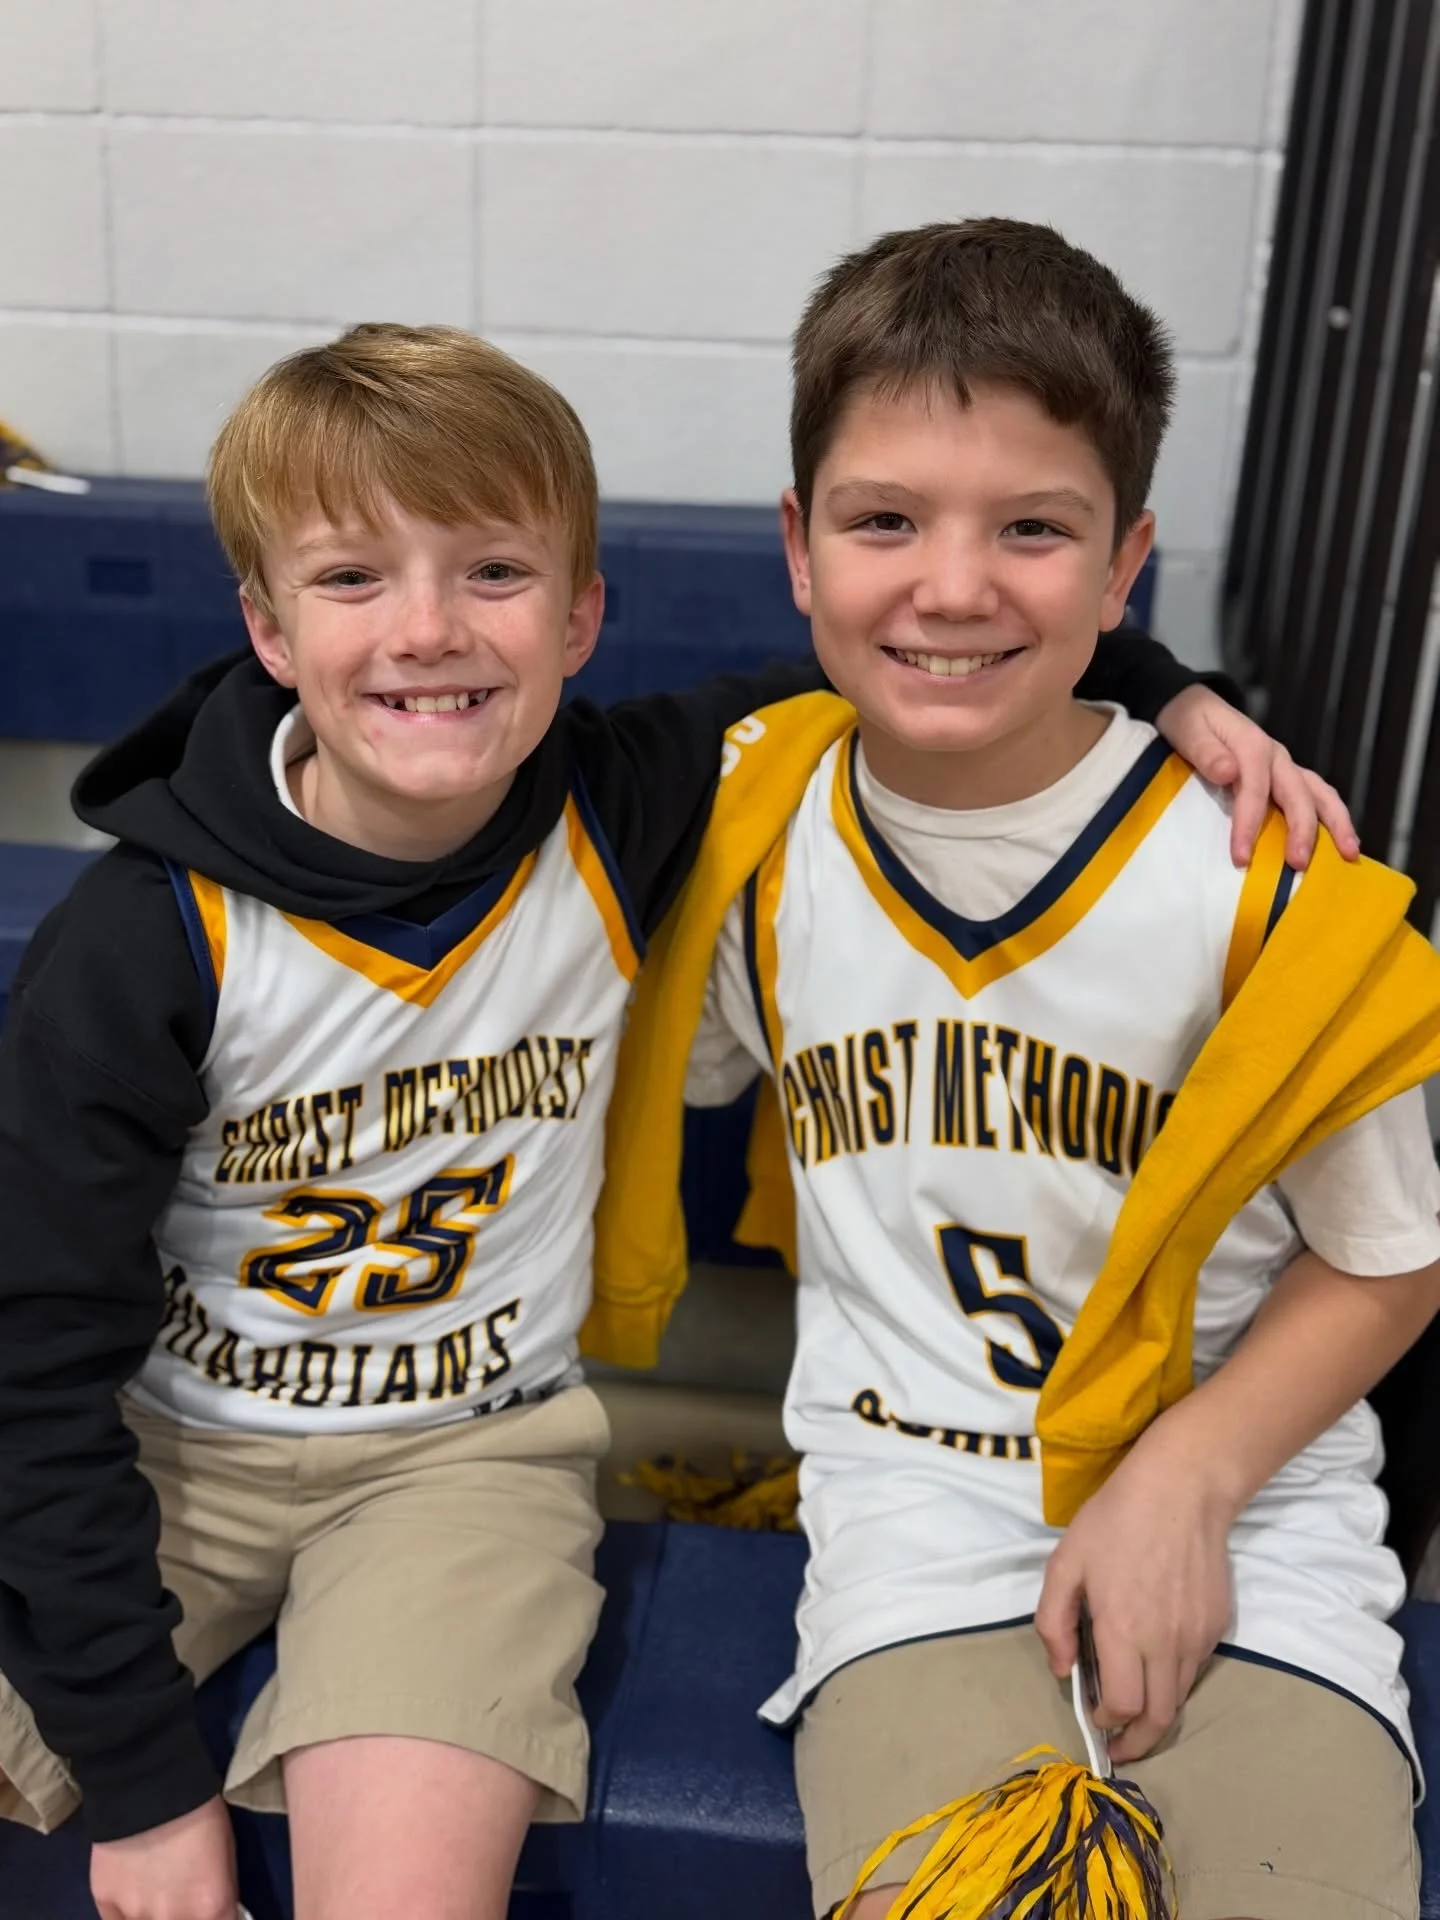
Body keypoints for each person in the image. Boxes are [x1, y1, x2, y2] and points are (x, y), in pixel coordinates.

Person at [0, 322, 1312, 1920]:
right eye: (352, 581)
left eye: (491, 572)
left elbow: (929, 646)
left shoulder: (629, 800)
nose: (427, 630)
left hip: (460, 1467)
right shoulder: (145, 945)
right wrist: (146, 1797)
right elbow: (34, 1364)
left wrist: (1178, 697)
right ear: (269, 631)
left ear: (579, 617)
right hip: (156, 1453)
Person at [589, 220, 1440, 1920]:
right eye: (886, 520)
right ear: (800, 548)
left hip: (1250, 1508)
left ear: (1125, 571)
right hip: (918, 1514)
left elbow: (1392, 1258)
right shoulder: (750, 835)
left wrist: (1189, 1478)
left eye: (1032, 531)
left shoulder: (1262, 875)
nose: (955, 584)